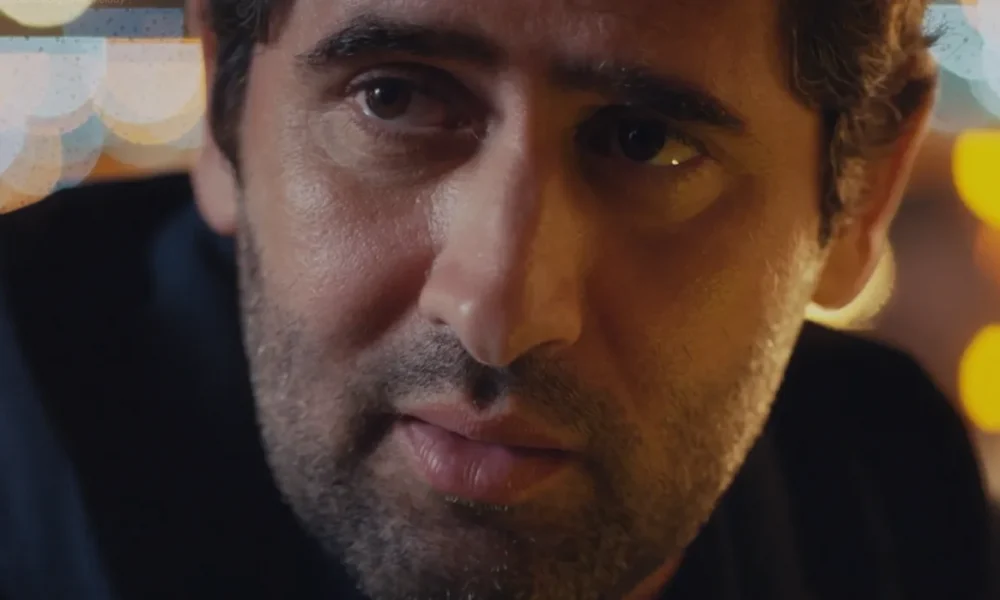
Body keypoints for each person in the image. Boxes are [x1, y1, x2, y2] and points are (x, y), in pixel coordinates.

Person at [0, 0, 995, 598]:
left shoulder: (893, 503)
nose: (496, 311)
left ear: (861, 196)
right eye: (392, 98)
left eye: (645, 140)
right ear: (223, 119)